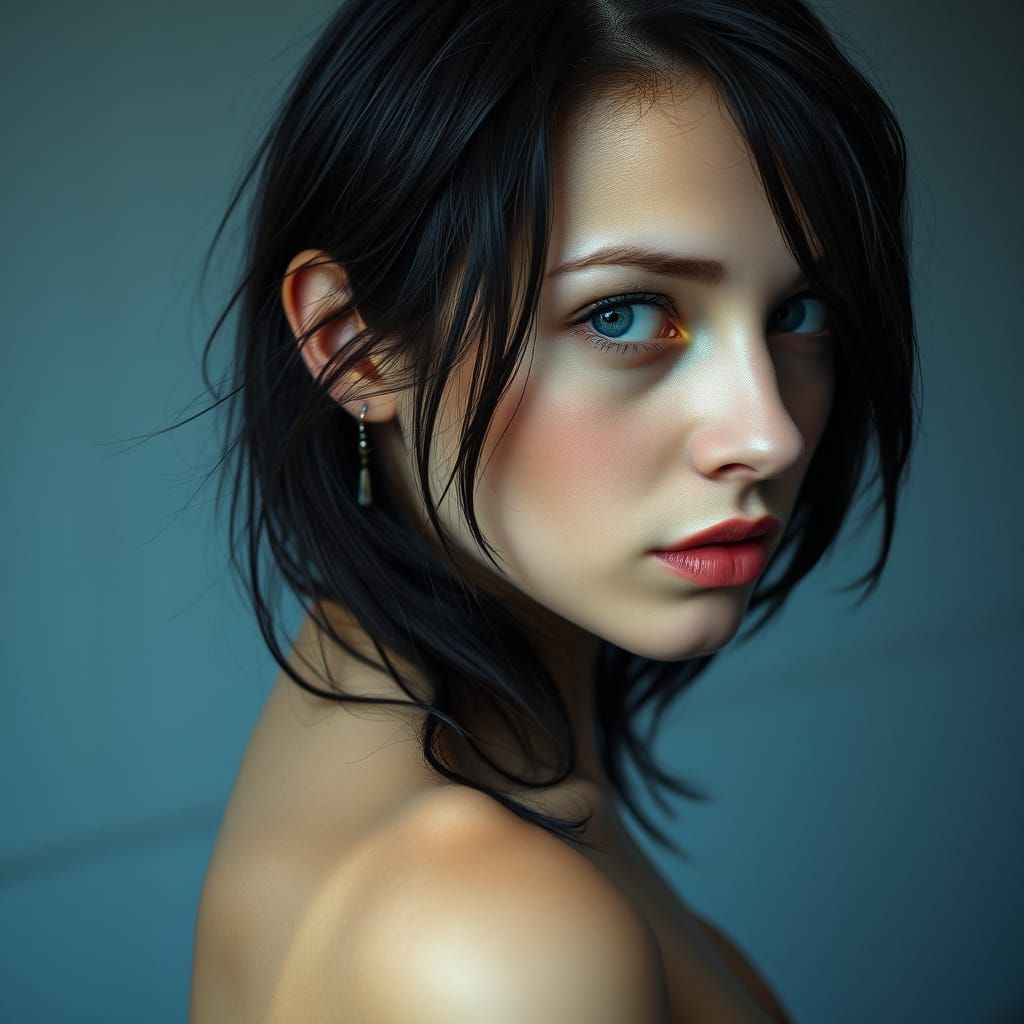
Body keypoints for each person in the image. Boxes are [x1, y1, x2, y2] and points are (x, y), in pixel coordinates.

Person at [187, 0, 918, 1020]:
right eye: (623, 315)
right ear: (352, 344)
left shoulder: (379, 738)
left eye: (797, 312)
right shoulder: (495, 939)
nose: (769, 434)